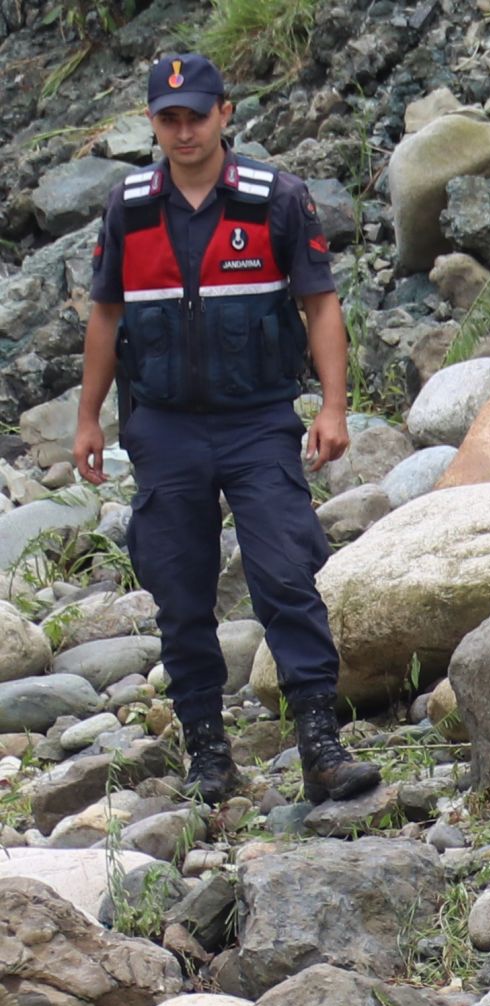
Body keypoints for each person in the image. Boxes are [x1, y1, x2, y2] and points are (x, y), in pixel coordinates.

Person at [73, 52, 379, 808]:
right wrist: (87, 416)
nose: (184, 131)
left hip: (256, 423)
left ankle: (320, 744)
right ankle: (207, 751)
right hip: (165, 429)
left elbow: (320, 304)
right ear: (152, 122)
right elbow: (106, 317)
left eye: (197, 116)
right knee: (179, 589)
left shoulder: (278, 199)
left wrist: (333, 407)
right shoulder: (129, 207)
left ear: (225, 114)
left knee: (284, 574)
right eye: (169, 118)